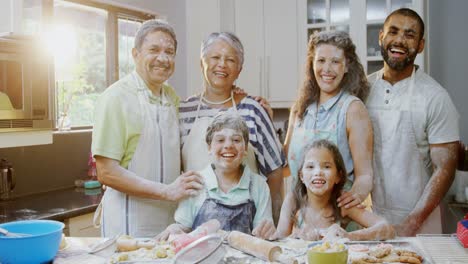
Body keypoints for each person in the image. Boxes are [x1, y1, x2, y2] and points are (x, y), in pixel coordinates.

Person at [92, 19, 203, 237]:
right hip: (128, 223)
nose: (163, 58)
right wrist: (166, 191)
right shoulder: (115, 98)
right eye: (154, 50)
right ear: (135, 54)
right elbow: (106, 172)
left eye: (169, 52)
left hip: (169, 222)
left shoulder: (171, 98)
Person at [367, 8, 459, 236]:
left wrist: (411, 223)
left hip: (422, 226)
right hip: (371, 219)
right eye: (393, 32)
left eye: (409, 35)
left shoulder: (435, 97)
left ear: (420, 45)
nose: (399, 40)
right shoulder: (363, 90)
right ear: (381, 36)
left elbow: (445, 168)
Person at [179, 32, 285, 223]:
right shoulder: (183, 111)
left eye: (230, 60)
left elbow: (275, 171)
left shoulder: (253, 110)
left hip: (249, 225)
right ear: (201, 63)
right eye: (215, 57)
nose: (222, 65)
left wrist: (274, 221)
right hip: (194, 224)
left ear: (239, 69)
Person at [284, 31, 373, 211]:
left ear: (347, 66)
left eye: (335, 61)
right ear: (312, 63)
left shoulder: (352, 109)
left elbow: (364, 176)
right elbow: (286, 166)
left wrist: (349, 203)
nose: (327, 69)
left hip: (337, 219)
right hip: (301, 217)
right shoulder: (300, 109)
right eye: (321, 60)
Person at [158, 113, 276, 240]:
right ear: (209, 148)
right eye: (220, 140)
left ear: (245, 148)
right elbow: (182, 227)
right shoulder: (195, 183)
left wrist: (267, 231)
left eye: (236, 140)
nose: (228, 145)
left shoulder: (259, 186)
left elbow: (263, 231)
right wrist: (174, 229)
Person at [275, 140, 394, 241]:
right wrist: (295, 238)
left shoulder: (343, 203)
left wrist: (348, 237)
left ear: (338, 176)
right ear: (301, 176)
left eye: (326, 167)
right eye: (310, 167)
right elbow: (280, 241)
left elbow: (387, 228)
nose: (318, 172)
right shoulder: (294, 200)